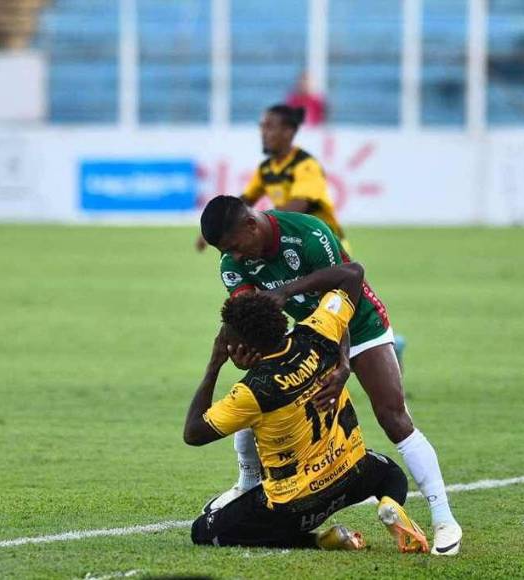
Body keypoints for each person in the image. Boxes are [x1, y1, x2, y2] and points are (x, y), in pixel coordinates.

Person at [197, 195, 462, 556]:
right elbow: (250, 319)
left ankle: (444, 520)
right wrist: (246, 355)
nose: (234, 256)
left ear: (250, 225)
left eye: (234, 246)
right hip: (309, 330)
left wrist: (343, 365)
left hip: (358, 322)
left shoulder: (309, 235)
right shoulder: (233, 263)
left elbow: (345, 290)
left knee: (393, 417)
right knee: (258, 396)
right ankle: (247, 483)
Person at [184, 262, 428, 553]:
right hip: (351, 474)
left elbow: (194, 433)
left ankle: (316, 540)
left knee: (203, 530)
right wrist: (344, 363)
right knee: (391, 475)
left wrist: (214, 366)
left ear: (242, 348)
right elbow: (352, 274)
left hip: (296, 506)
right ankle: (388, 505)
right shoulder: (317, 332)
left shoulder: (252, 391)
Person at [194, 103, 349, 254]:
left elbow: (298, 206)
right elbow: (244, 201)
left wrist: (257, 222)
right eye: (262, 127)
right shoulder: (266, 168)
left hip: (327, 242)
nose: (263, 132)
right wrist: (220, 224)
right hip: (297, 241)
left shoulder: (306, 165)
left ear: (288, 132)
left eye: (269, 127)